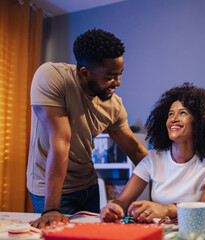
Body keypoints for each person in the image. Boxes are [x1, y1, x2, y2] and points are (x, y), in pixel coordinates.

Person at [27, 29, 148, 228]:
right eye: (110, 76)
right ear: (85, 72)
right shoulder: (51, 77)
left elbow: (135, 150)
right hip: (51, 190)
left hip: (88, 186)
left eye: (119, 75)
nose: (117, 83)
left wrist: (172, 182)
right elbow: (61, 141)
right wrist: (51, 209)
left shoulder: (114, 105)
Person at [100, 82, 205, 223]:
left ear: (200, 121)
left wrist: (166, 209)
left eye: (182, 113)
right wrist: (114, 208)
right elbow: (122, 201)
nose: (173, 119)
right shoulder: (153, 158)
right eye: (170, 114)